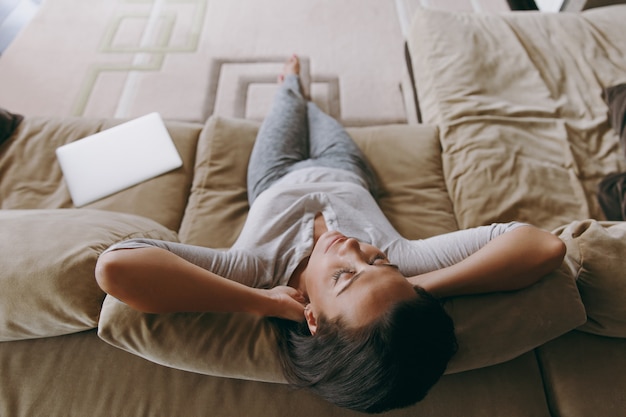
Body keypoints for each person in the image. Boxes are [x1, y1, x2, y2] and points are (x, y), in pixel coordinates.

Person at [95, 55, 566, 413]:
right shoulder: (405, 266)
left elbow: (117, 266)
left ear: (312, 318)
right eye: (378, 263)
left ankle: (291, 84)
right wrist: (416, 288)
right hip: (346, 168)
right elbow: (544, 246)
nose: (357, 252)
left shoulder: (255, 271)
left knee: (287, 105)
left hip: (272, 175)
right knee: (321, 118)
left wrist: (262, 303)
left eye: (345, 277)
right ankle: (303, 93)